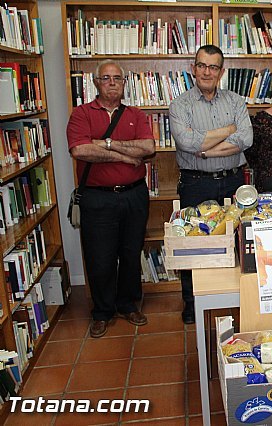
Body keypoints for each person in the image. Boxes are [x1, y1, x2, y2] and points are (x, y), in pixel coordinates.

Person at [66, 60, 155, 338]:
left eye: (117, 78)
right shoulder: (81, 114)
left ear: (125, 83)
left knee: (130, 253)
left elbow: (148, 147)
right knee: (100, 258)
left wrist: (103, 143)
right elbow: (80, 150)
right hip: (97, 198)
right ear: (95, 83)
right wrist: (124, 155)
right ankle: (102, 312)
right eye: (106, 78)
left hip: (134, 195)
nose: (112, 83)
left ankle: (128, 304)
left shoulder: (136, 114)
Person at [169, 44, 253, 324]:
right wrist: (228, 130)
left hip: (233, 181)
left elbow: (246, 139)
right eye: (202, 65)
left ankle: (236, 297)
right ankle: (192, 303)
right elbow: (186, 142)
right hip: (196, 183)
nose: (207, 71)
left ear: (221, 71)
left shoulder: (235, 101)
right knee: (193, 244)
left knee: (239, 241)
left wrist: (205, 148)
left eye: (213, 67)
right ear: (193, 69)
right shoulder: (180, 104)